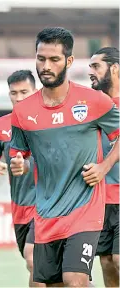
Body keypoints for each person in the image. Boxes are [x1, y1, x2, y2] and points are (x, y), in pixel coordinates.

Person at [9, 27, 119, 287]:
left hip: (85, 209)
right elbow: (20, 154)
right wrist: (18, 164)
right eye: (41, 59)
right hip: (46, 213)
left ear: (68, 61)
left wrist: (104, 166)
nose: (46, 66)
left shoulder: (95, 101)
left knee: (75, 279)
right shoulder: (23, 112)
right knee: (55, 284)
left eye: (54, 59)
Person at [0, 70, 43, 287]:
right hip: (20, 207)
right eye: (14, 93)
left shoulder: (48, 121)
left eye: (24, 92)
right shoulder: (0, 126)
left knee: (33, 259)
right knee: (48, 274)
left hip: (48, 204)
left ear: (35, 92)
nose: (19, 98)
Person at [89, 47, 119, 287]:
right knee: (107, 262)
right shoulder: (92, 107)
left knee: (118, 259)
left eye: (96, 66)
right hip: (99, 200)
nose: (91, 72)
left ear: (115, 68)